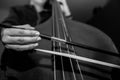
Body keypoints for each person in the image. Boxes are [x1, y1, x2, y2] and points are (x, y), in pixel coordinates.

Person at [0, 0, 119, 80]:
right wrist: (5, 32)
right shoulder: (20, 10)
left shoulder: (52, 13)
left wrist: (67, 15)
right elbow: (7, 25)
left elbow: (78, 32)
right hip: (29, 60)